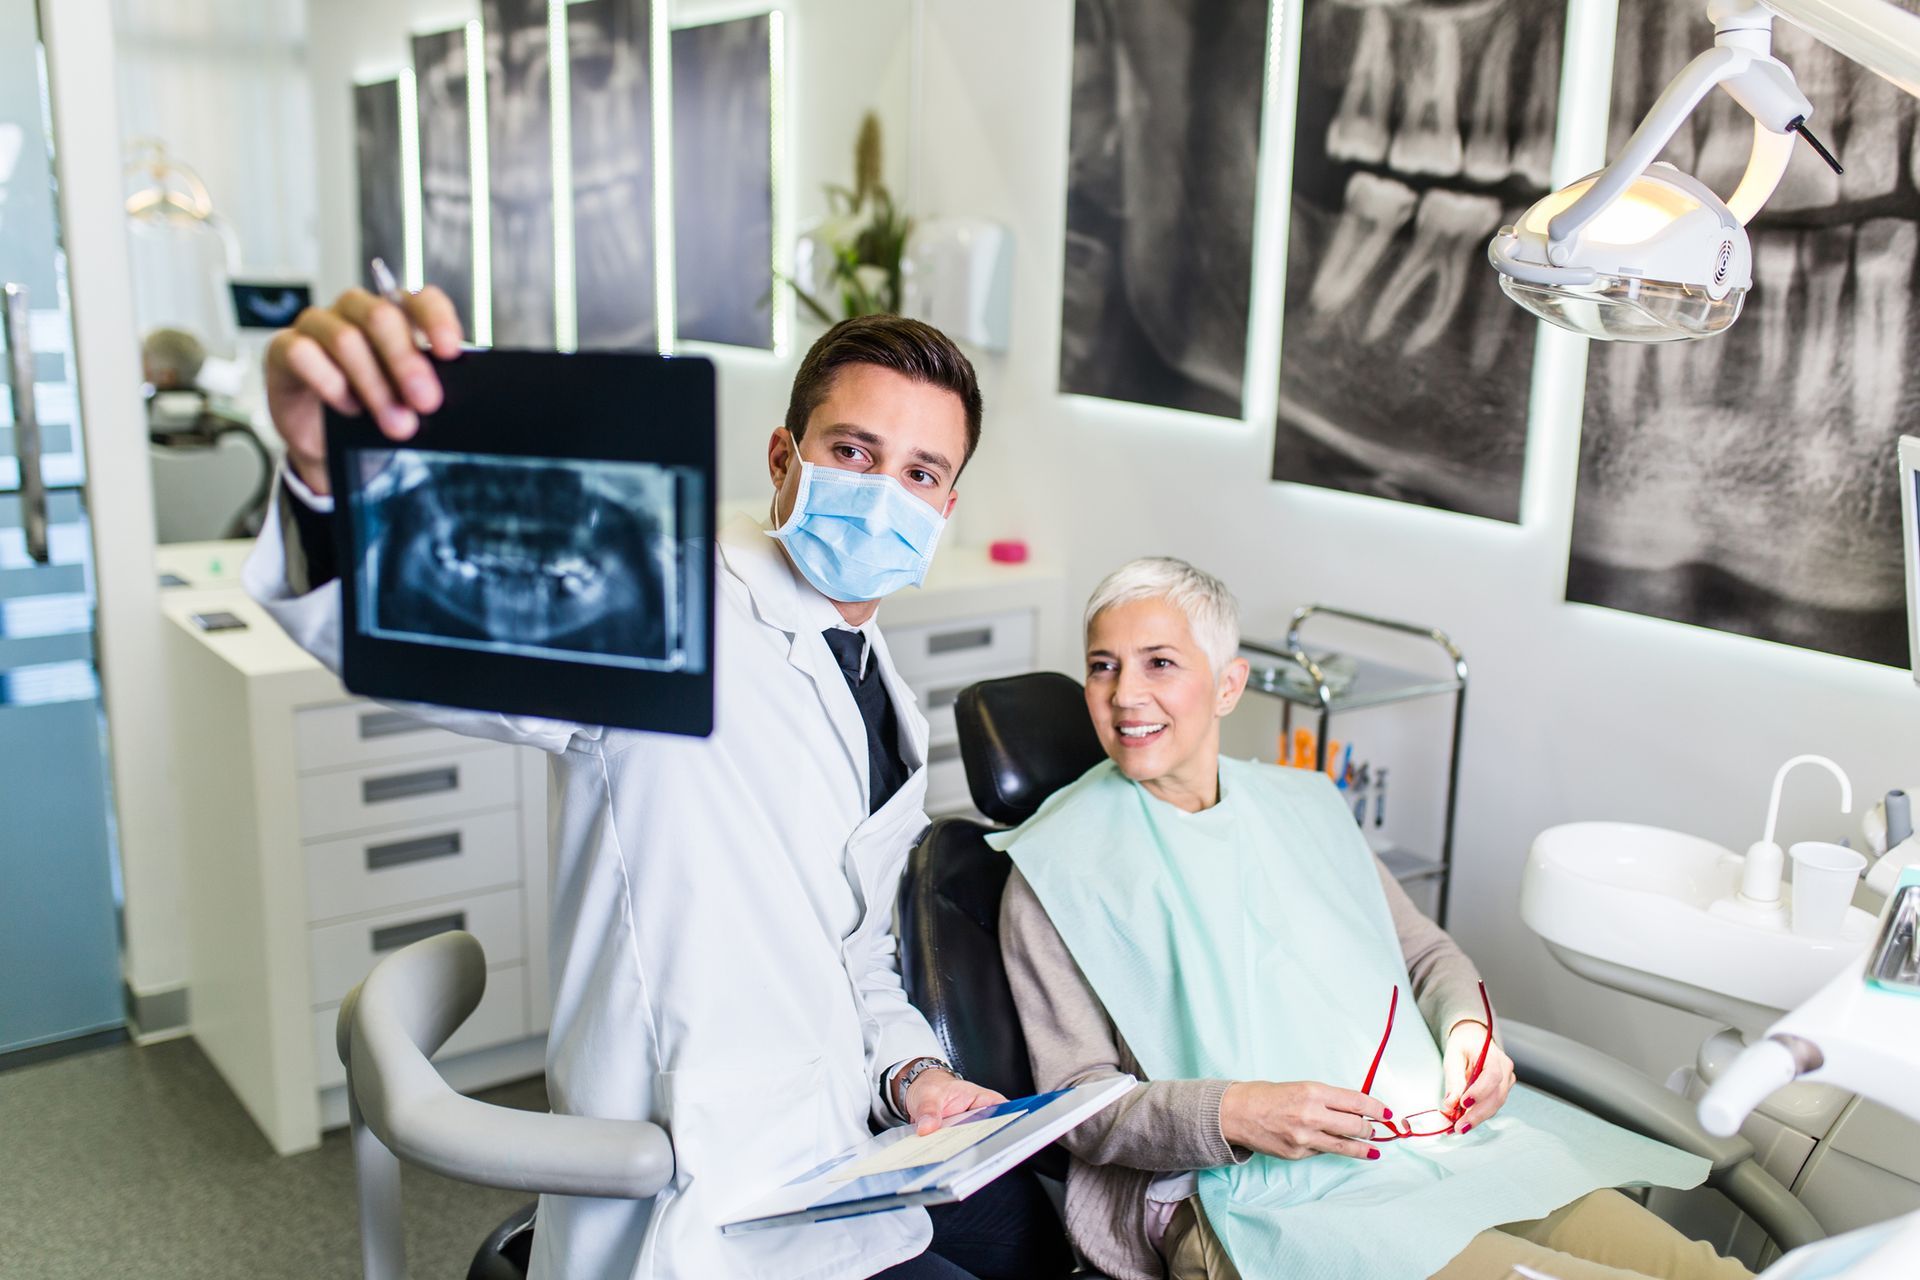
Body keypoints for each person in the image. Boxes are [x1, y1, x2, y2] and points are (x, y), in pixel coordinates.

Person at [250, 286, 1069, 1280]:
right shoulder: (672, 606)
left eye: (921, 472)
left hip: (832, 1165)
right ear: (785, 460)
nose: (886, 492)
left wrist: (913, 1072)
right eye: (854, 452)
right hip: (686, 1187)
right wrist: (318, 473)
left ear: (944, 505)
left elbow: (854, 950)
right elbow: (443, 626)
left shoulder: (883, 693)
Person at [995, 557, 1755, 1280]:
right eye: (1103, 665)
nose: (1125, 693)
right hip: (1250, 1205)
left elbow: (1425, 954)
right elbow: (1079, 1109)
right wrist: (1236, 1112)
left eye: (1159, 662)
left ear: (1229, 686)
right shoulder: (1055, 872)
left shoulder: (1305, 807)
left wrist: (1467, 1030)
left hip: (1430, 1153)